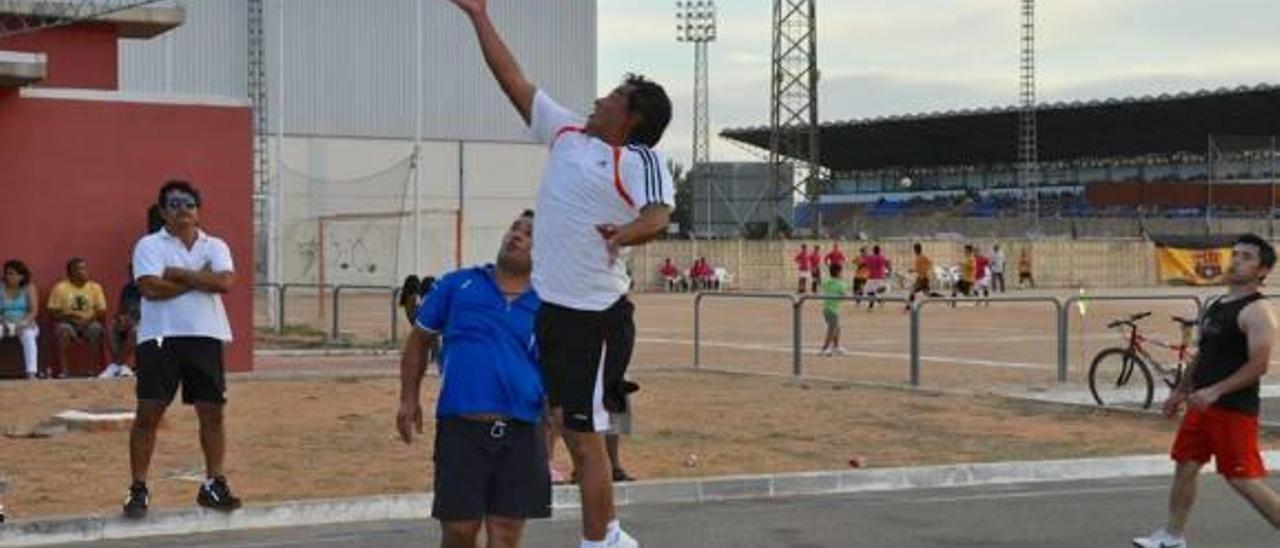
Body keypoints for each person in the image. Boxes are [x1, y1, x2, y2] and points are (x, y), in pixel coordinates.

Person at [453, 1, 674, 545]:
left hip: (595, 319)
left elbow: (658, 217)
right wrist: (478, 16)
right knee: (567, 428)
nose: (599, 99)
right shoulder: (567, 133)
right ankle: (609, 536)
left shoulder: (639, 162)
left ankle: (602, 541)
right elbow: (512, 80)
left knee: (584, 436)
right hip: (553, 312)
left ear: (630, 120)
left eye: (613, 97)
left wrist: (624, 235)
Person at [397, 210, 550, 548]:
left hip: (522, 433)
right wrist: (409, 398)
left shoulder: (549, 302)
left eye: (530, 234)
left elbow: (557, 370)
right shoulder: (458, 284)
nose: (518, 235)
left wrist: (553, 432)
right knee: (459, 531)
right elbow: (419, 339)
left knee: (506, 533)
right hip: (461, 430)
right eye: (515, 228)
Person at [1133, 234, 1280, 548]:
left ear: (1262, 270)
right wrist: (1180, 392)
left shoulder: (1258, 311)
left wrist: (1216, 391)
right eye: (1235, 254)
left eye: (1246, 257)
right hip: (1201, 406)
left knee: (1242, 479)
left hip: (1232, 410)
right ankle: (1172, 537)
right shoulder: (1217, 305)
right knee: (1185, 464)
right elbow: (1203, 355)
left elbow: (1259, 365)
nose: (1236, 260)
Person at [123, 180, 240, 519]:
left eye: (189, 204)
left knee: (212, 413)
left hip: (206, 335)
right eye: (174, 205)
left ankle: (213, 483)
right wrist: (196, 279)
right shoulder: (149, 244)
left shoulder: (215, 244)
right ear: (163, 212)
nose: (182, 210)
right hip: (161, 338)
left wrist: (176, 274)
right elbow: (150, 289)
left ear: (198, 209)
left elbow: (225, 283)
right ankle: (138, 487)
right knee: (149, 413)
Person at [47, 257, 108, 377]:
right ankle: (64, 370)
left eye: (85, 268)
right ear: (71, 272)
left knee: (95, 329)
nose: (85, 271)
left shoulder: (95, 287)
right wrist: (69, 317)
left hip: (89, 322)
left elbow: (102, 310)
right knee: (63, 330)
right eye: (81, 269)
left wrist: (87, 320)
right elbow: (52, 311)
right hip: (68, 322)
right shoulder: (60, 288)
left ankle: (93, 370)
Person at [1, 259, 39, 379]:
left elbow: (33, 311)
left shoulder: (29, 288)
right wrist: (5, 323)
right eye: (6, 273)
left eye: (12, 273)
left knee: (28, 335)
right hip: (3, 322)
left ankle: (31, 373)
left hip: (24, 322)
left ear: (21, 276)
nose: (8, 276)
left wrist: (22, 323)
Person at [101, 265, 140, 378]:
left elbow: (153, 313)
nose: (132, 276)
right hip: (130, 321)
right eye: (131, 274)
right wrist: (120, 318)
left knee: (135, 331)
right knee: (109, 328)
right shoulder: (127, 289)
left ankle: (116, 365)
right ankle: (122, 367)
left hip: (148, 323)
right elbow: (122, 309)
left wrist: (133, 321)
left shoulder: (149, 288)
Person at [819, 262, 847, 357]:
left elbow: (824, 284)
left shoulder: (827, 281)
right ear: (838, 272)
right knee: (832, 330)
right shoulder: (841, 284)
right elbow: (843, 294)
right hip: (833, 310)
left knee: (837, 327)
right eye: (841, 272)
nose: (842, 273)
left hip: (827, 309)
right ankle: (824, 348)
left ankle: (836, 347)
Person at [861, 245, 890, 310]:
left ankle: (873, 304)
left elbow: (866, 264)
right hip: (880, 276)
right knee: (874, 291)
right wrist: (887, 272)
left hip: (872, 277)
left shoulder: (870, 257)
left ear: (873, 250)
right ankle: (878, 301)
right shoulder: (882, 257)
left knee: (868, 291)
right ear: (879, 251)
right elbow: (887, 263)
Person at [906, 243, 933, 312]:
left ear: (916, 250)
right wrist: (925, 270)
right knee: (927, 294)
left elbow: (927, 264)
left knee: (913, 291)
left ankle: (908, 307)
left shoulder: (920, 258)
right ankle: (944, 298)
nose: (914, 251)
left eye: (914, 249)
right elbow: (929, 264)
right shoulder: (921, 257)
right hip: (923, 278)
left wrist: (912, 270)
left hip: (922, 279)